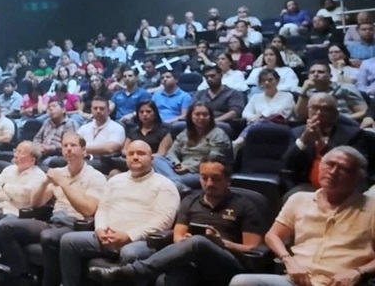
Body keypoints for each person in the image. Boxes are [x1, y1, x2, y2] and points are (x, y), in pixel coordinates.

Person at [89, 156, 266, 286]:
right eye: (204, 178)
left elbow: (253, 249)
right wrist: (185, 241)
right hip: (191, 260)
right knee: (168, 280)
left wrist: (222, 243)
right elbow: (178, 237)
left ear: (228, 180)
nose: (209, 183)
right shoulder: (190, 201)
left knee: (199, 241)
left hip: (226, 264)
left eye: (216, 179)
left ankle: (133, 272)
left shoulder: (244, 205)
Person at [230, 146, 375, 286]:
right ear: (320, 166)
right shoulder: (299, 199)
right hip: (297, 279)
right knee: (242, 282)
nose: (333, 172)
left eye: (344, 169)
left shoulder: (371, 208)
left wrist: (358, 272)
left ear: (357, 177)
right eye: (330, 164)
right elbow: (272, 236)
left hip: (339, 282)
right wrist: (288, 261)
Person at [0, 131, 106, 286]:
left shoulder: (95, 177)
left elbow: (88, 210)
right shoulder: (59, 172)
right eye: (65, 145)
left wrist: (63, 183)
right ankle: (23, 276)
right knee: (5, 227)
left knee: (48, 236)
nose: (68, 149)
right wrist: (44, 184)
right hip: (53, 221)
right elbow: (37, 204)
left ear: (83, 150)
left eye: (73, 145)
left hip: (75, 225)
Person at [59, 140, 180, 286]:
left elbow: (163, 221)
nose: (135, 157)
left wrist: (129, 235)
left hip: (140, 240)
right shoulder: (115, 181)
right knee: (68, 240)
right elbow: (103, 208)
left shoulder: (165, 185)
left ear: (152, 159)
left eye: (141, 153)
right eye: (131, 154)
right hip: (107, 237)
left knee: (130, 252)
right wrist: (100, 229)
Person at [282, 93, 375, 198]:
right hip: (308, 185)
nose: (319, 113)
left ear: (335, 113)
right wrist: (304, 139)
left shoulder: (353, 134)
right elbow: (287, 163)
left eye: (325, 109)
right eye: (314, 108)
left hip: (343, 184)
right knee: (293, 196)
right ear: (308, 111)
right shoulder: (297, 132)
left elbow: (355, 166)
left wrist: (323, 143)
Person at [0, 142, 47, 281]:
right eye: (16, 150)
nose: (16, 154)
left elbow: (25, 197)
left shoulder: (39, 176)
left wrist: (6, 187)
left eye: (21, 152)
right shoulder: (8, 170)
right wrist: (9, 196)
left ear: (32, 159)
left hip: (17, 214)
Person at [154, 102, 233, 189]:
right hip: (181, 168)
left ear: (211, 117)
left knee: (161, 180)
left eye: (205, 115)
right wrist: (177, 163)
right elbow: (172, 152)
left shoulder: (218, 134)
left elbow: (214, 159)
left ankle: (174, 183)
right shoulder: (185, 133)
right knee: (156, 159)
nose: (201, 117)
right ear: (190, 116)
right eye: (197, 114)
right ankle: (177, 184)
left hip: (202, 172)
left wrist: (188, 168)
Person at [233, 68, 296, 155]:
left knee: (262, 122)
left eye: (270, 80)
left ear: (277, 81)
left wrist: (260, 116)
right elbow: (245, 113)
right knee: (258, 123)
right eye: (263, 80)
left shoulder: (287, 96)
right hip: (256, 126)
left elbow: (280, 112)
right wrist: (255, 117)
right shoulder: (255, 97)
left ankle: (239, 142)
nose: (266, 83)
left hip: (279, 126)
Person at [295, 62, 367, 122]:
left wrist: (339, 119)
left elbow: (363, 112)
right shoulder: (306, 92)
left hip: (344, 123)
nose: (315, 74)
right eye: (312, 72)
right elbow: (299, 115)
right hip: (316, 124)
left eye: (320, 72)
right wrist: (303, 92)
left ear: (330, 76)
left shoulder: (345, 88)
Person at [77, 97, 126, 172]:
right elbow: (74, 143)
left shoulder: (117, 127)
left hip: (105, 161)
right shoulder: (84, 127)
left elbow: (110, 148)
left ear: (108, 111)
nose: (98, 111)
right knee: (59, 161)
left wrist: (82, 149)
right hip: (83, 158)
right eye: (95, 108)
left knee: (81, 165)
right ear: (91, 110)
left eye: (102, 108)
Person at [193, 65, 245, 130]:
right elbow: (192, 110)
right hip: (200, 121)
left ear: (221, 75)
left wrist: (213, 121)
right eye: (206, 77)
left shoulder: (233, 93)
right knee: (182, 125)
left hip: (223, 122)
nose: (209, 79)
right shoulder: (200, 94)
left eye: (212, 76)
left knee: (219, 126)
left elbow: (234, 112)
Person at [33, 100, 78, 167]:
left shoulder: (69, 124)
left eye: (54, 106)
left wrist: (51, 148)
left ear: (63, 110)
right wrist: (38, 146)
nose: (51, 109)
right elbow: (37, 138)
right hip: (43, 151)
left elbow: (69, 144)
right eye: (49, 107)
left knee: (45, 163)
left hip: (58, 154)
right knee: (26, 156)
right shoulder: (47, 122)